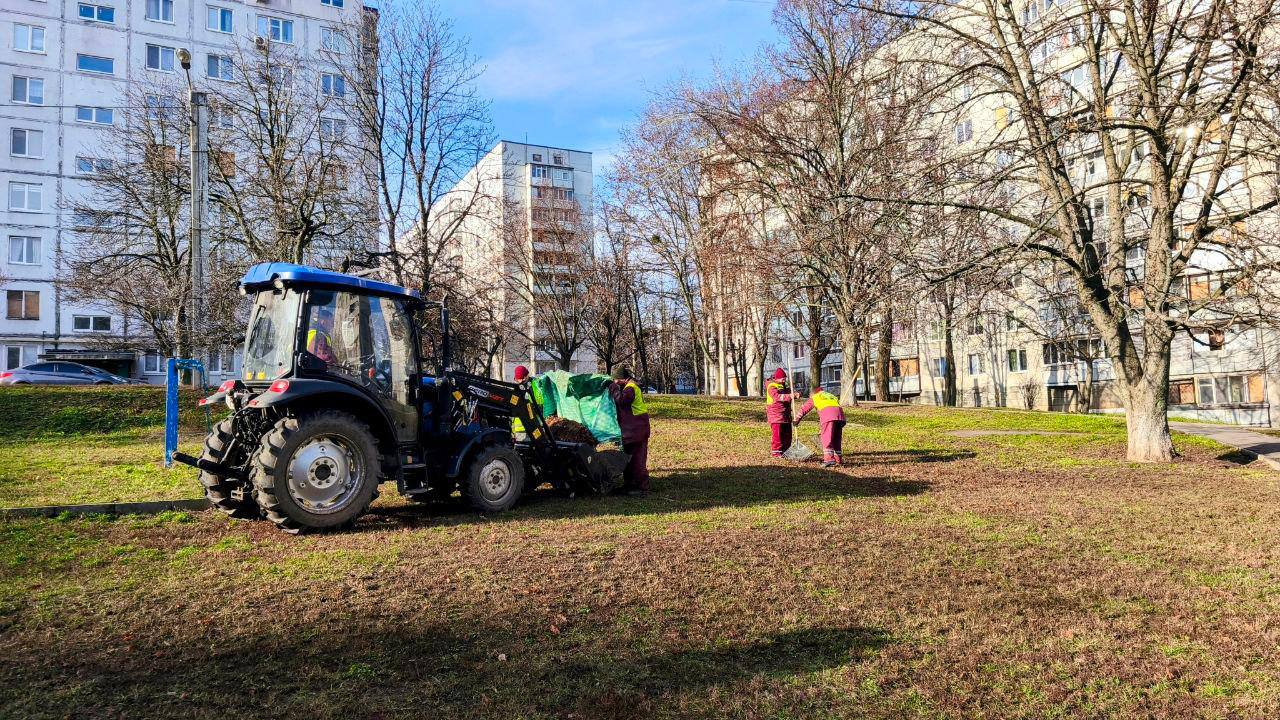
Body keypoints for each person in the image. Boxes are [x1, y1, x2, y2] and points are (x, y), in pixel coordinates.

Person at [608, 365, 651, 496]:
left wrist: (613, 388)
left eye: (616, 380)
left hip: (636, 429)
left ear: (622, 379)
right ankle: (630, 484)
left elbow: (622, 400)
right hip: (635, 429)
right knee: (629, 458)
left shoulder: (631, 388)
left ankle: (640, 487)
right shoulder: (630, 386)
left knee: (637, 459)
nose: (615, 382)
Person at [795, 387, 846, 467]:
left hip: (828, 416)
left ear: (814, 393)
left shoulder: (816, 397)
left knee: (826, 438)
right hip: (840, 416)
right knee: (836, 438)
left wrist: (796, 419)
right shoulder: (831, 395)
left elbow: (804, 408)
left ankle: (829, 460)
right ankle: (838, 459)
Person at [765, 368, 794, 458]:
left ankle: (786, 451)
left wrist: (793, 393)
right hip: (776, 415)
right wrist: (789, 396)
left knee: (787, 435)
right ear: (776, 378)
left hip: (785, 415)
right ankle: (776, 452)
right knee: (777, 435)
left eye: (785, 378)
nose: (784, 380)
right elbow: (777, 397)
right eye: (782, 378)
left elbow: (786, 396)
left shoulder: (783, 386)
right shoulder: (772, 386)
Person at [510, 365, 543, 438]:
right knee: (521, 447)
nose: (521, 381)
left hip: (534, 426)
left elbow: (541, 405)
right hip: (520, 430)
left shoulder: (536, 385)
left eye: (522, 379)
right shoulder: (515, 389)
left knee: (538, 446)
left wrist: (531, 407)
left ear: (526, 376)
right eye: (518, 379)